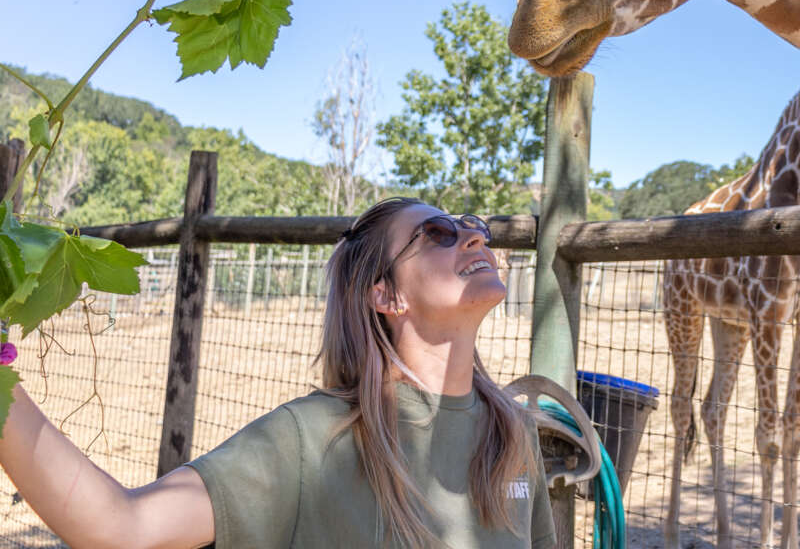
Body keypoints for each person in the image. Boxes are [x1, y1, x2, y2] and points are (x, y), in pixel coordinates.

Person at [0, 197, 555, 548]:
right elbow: (122, 527)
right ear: (385, 295)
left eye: (472, 226)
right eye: (437, 233)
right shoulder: (309, 440)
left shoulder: (515, 433)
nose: (475, 236)